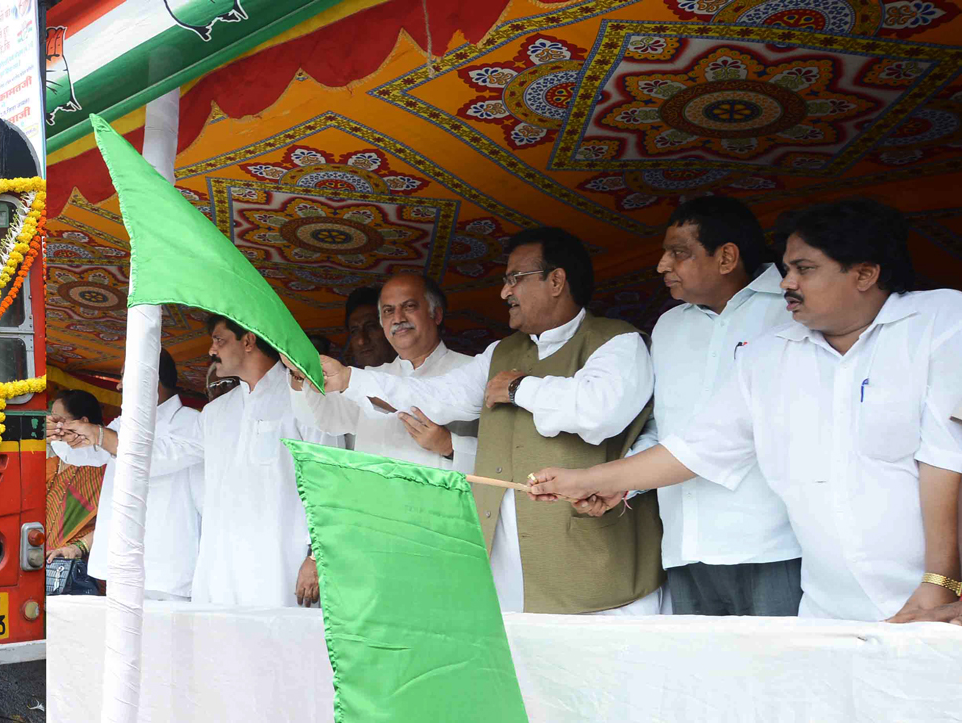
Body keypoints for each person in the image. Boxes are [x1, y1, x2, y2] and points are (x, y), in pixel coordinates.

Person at [529, 198, 962, 623]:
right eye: (787, 268)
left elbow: (946, 456)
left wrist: (943, 581)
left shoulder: (940, 323)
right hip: (826, 608)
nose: (786, 283)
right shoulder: (769, 355)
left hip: (932, 603)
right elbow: (698, 446)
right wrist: (588, 480)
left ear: (865, 274)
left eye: (804, 270)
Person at [316, 228, 666, 615]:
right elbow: (438, 395)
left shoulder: (616, 341)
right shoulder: (500, 352)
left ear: (556, 281)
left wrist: (521, 389)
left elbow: (598, 412)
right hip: (508, 567)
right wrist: (351, 379)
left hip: (595, 567)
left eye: (514, 278)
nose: (504, 292)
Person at [633, 195, 802, 616]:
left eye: (678, 253)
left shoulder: (790, 312)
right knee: (702, 680)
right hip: (684, 544)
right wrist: (624, 481)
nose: (662, 266)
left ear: (726, 257)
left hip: (772, 543)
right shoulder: (669, 326)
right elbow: (661, 426)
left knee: (784, 677)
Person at [192, 314, 344, 607]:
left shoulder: (306, 397)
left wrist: (317, 557)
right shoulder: (215, 412)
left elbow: (333, 483)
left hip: (282, 572)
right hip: (222, 573)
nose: (212, 351)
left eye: (219, 340)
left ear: (248, 340)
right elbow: (166, 451)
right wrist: (98, 435)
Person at [48, 350, 204, 600]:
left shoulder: (191, 423)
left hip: (166, 572)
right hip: (121, 565)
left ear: (150, 379)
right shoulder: (125, 423)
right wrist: (63, 434)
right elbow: (91, 455)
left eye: (125, 376)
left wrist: (99, 435)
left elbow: (149, 458)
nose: (119, 385)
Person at [290, 273, 478, 474]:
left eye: (409, 306)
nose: (398, 318)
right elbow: (322, 418)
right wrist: (299, 372)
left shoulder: (473, 371)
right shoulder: (369, 378)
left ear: (436, 314)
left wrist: (451, 447)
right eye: (388, 311)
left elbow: (506, 458)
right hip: (374, 502)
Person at [43, 390, 108, 596]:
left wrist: (77, 547)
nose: (51, 425)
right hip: (40, 567)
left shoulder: (106, 468)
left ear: (83, 422)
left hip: (81, 573)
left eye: (58, 420)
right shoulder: (50, 464)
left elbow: (117, 523)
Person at [344, 286, 397, 368]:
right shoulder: (352, 380)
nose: (361, 341)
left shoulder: (416, 376)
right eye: (354, 331)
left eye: (370, 327)